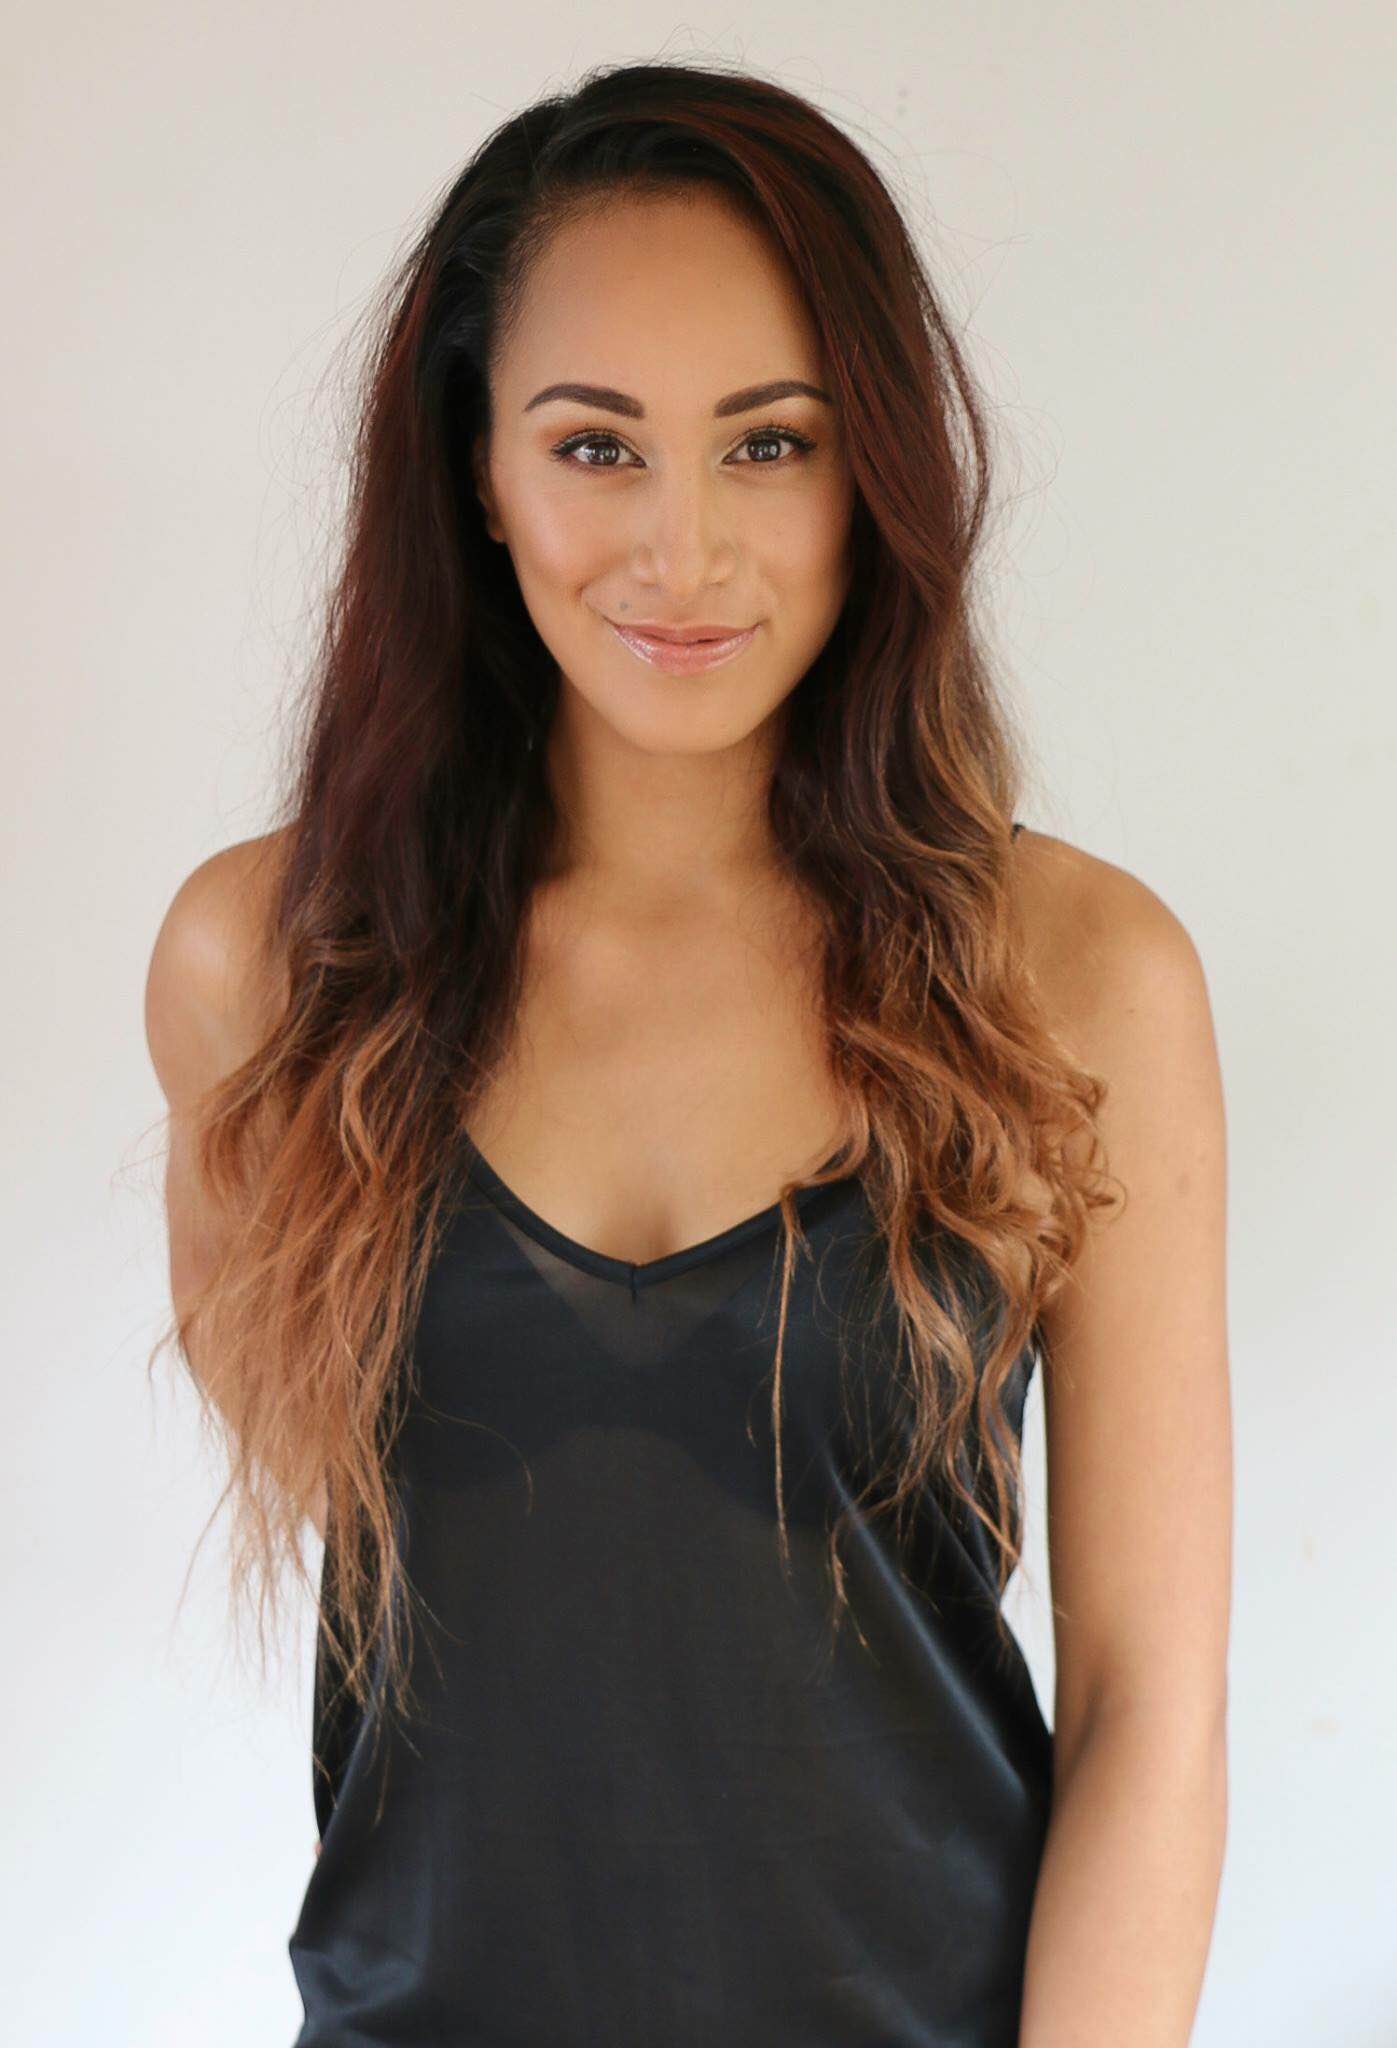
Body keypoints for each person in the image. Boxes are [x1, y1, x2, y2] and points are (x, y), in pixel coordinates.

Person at [143, 58, 1231, 2048]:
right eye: (595, 446)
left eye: (768, 443)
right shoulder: (270, 968)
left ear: (873, 466)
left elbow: (1149, 1703)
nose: (683, 550)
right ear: (476, 469)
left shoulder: (1076, 975)